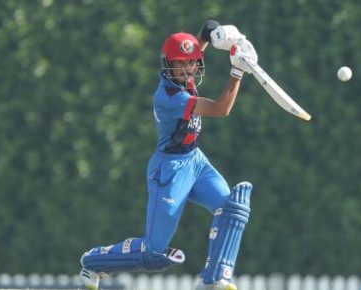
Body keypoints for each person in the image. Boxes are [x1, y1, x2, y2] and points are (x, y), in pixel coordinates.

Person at [79, 20, 258, 290]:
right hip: (170, 169)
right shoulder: (169, 97)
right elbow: (221, 109)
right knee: (154, 253)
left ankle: (214, 279)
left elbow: (195, 47)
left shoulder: (184, 67)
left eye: (192, 63)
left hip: (196, 162)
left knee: (232, 207)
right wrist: (237, 71)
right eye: (181, 64)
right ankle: (93, 262)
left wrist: (212, 32)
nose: (188, 69)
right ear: (168, 66)